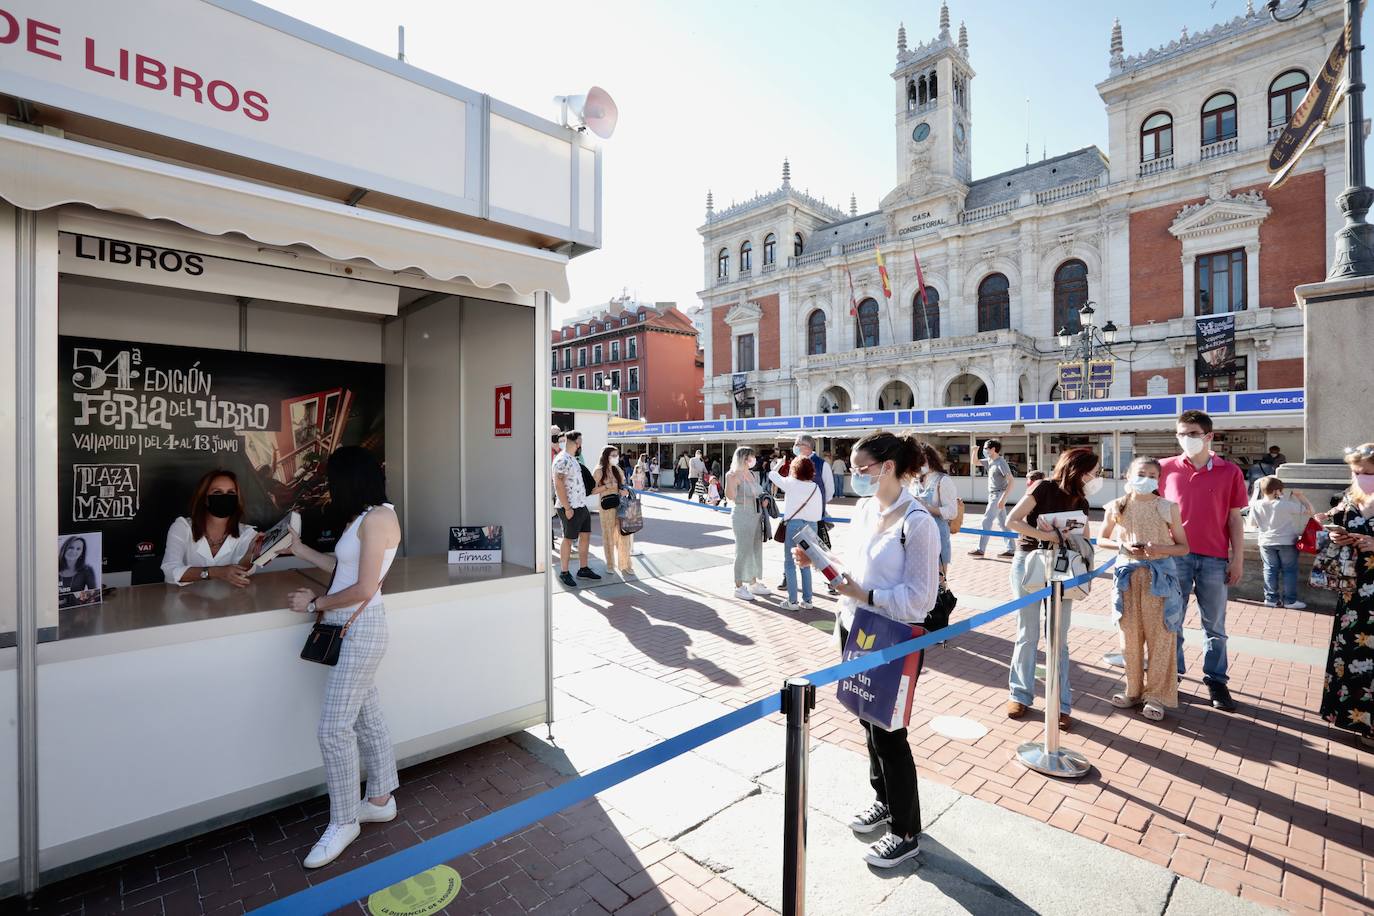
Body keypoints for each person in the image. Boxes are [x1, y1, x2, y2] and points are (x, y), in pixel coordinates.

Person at [793, 430, 938, 868]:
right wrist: (821, 562)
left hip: (892, 637)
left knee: (890, 735)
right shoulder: (861, 508)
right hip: (853, 627)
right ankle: (884, 800)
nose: (853, 476)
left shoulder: (918, 522)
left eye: (860, 470)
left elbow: (920, 599)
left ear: (887, 467)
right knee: (866, 723)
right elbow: (854, 572)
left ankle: (906, 830)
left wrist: (867, 596)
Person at [284, 446, 402, 869]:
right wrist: (301, 550)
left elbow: (365, 587)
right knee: (367, 718)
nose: (327, 487)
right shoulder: (366, 516)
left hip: (361, 630)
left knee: (334, 729)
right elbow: (344, 567)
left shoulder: (378, 519)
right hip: (353, 629)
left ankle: (344, 820)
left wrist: (316, 602)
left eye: (332, 479)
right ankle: (382, 799)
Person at [1004, 447, 1101, 729]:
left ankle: (1061, 702)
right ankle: (1019, 695)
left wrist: (1077, 540)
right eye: (1093, 472)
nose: (1095, 478)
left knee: (1058, 637)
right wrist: (1045, 535)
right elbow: (1013, 521)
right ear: (1078, 470)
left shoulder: (1081, 499)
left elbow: (1084, 535)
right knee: (1027, 632)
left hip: (1063, 566)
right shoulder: (1044, 487)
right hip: (1030, 562)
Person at [1159, 410, 1248, 713]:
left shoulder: (1230, 471)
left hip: (1214, 557)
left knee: (1215, 625)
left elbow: (1235, 519)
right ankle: (1174, 673)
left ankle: (1216, 680)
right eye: (1182, 433)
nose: (1187, 439)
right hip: (1175, 557)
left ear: (1209, 436)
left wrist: (1237, 559)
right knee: (1173, 620)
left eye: (1193, 433)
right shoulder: (1164, 469)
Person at [1097, 457, 1189, 721]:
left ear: (1158, 480)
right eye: (1141, 473)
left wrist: (1159, 548)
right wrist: (1122, 546)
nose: (1146, 478)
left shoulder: (1167, 507)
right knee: (1130, 639)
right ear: (1128, 476)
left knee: (1161, 638)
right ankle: (1133, 690)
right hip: (1127, 578)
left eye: (1152, 474)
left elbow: (1184, 546)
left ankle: (1157, 695)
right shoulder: (1116, 506)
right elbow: (1101, 539)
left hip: (1159, 580)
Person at [1317, 443, 1374, 750]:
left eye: (1368, 472)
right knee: (1351, 653)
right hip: (1354, 594)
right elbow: (1332, 527)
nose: (1362, 477)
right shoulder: (1350, 498)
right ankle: (1350, 717)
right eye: (1356, 472)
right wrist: (1335, 534)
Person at [161, 468, 260, 587]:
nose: (225, 497)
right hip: (185, 601)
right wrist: (215, 572)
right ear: (205, 498)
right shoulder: (182, 527)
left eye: (231, 493)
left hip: (229, 603)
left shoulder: (248, 533)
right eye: (217, 492)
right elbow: (170, 571)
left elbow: (242, 572)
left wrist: (250, 556)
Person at [769, 455, 824, 611]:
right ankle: (808, 600)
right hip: (811, 526)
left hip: (794, 525)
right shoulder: (815, 487)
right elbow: (818, 513)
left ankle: (792, 601)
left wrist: (780, 463)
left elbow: (771, 475)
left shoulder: (791, 483)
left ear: (794, 469)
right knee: (805, 563)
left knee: (790, 563)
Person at [1249, 475, 1313, 609]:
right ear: (1276, 491)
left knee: (1269, 569)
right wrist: (1300, 496)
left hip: (1265, 541)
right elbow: (1310, 511)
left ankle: (1271, 599)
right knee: (1289, 570)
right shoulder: (1285, 505)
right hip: (1286, 541)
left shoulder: (1256, 504)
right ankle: (1290, 601)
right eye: (1280, 490)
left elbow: (1253, 524)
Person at [552, 431, 601, 589]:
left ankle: (583, 568)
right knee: (568, 539)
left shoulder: (573, 459)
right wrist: (567, 507)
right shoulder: (562, 460)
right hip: (569, 507)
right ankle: (564, 572)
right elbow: (558, 485)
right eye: (580, 442)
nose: (581, 445)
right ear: (573, 442)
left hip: (581, 506)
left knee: (585, 536)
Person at [726, 447, 770, 601]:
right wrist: (729, 480)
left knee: (755, 549)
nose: (754, 460)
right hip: (742, 516)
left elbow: (758, 492)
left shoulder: (751, 474)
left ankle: (753, 582)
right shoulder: (733, 475)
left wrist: (764, 499)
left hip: (756, 515)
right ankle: (738, 585)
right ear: (744, 458)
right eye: (751, 457)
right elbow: (730, 497)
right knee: (743, 550)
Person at [913, 444, 959, 582]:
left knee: (939, 580)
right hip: (917, 536)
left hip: (938, 535)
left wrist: (926, 506)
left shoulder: (943, 480)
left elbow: (952, 512)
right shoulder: (915, 480)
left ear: (929, 459)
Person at [593, 446, 634, 577]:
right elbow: (592, 491)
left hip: (620, 506)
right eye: (613, 455)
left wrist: (625, 491)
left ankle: (626, 564)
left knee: (624, 535)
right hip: (606, 507)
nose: (616, 457)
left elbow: (624, 485)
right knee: (608, 536)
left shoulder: (618, 469)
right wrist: (607, 486)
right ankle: (610, 564)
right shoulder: (599, 471)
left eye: (617, 455)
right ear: (606, 456)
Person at [970, 439, 1014, 558]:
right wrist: (975, 451)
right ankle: (1011, 550)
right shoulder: (990, 461)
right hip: (993, 495)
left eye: (986, 448)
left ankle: (981, 549)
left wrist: (1003, 498)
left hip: (998, 495)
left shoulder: (1001, 463)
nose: (984, 450)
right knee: (1003, 524)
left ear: (993, 449)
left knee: (986, 520)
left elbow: (1011, 481)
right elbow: (975, 462)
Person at [58, 535, 99, 608]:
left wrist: (68, 600)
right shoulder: (52, 568)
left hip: (77, 612)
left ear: (81, 553)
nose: (74, 551)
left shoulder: (87, 570)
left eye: (78, 549)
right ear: (64, 548)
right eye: (71, 547)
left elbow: (94, 595)